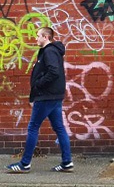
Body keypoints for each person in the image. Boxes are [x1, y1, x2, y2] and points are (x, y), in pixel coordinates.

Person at [6, 26, 74, 173]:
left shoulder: (49, 51)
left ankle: (25, 164)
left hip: (46, 96)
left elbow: (54, 72)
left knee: (33, 127)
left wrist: (38, 84)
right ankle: (67, 162)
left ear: (46, 37)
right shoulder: (53, 51)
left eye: (38, 36)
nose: (35, 38)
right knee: (59, 128)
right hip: (54, 96)